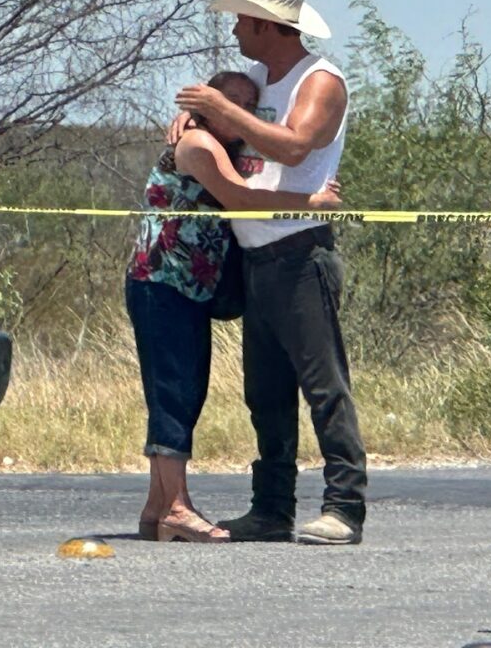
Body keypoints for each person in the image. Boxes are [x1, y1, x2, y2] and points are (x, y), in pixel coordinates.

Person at [172, 0, 367, 545]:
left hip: (299, 251)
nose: (233, 29)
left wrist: (222, 112)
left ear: (266, 24)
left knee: (323, 382)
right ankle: (272, 505)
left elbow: (292, 144)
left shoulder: (319, 80)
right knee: (266, 391)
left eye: (241, 19)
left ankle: (345, 505)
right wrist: (193, 117)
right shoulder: (253, 78)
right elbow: (210, 115)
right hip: (253, 253)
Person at [127, 70, 343, 544]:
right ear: (208, 104)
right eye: (230, 102)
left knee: (183, 389)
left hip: (189, 286)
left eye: (248, 103)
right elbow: (241, 198)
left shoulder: (226, 144)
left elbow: (279, 150)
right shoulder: (199, 146)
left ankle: (156, 506)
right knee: (175, 391)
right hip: (162, 281)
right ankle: (178, 508)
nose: (239, 111)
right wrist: (312, 201)